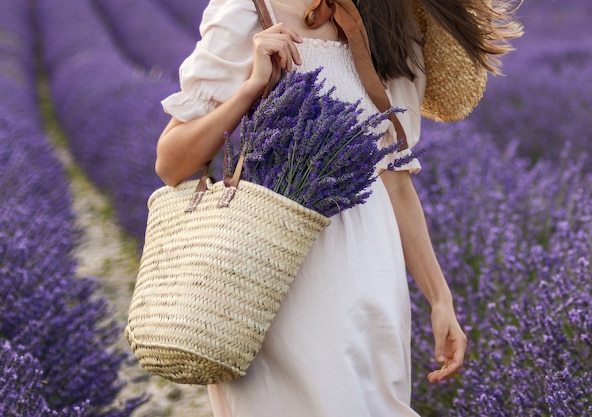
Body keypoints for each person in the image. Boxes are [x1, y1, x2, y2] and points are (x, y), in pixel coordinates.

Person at [155, 0, 521, 415]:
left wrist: (440, 299)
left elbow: (395, 182)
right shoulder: (246, 13)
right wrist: (251, 87)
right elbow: (170, 164)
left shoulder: (387, 30)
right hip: (270, 285)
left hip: (369, 284)